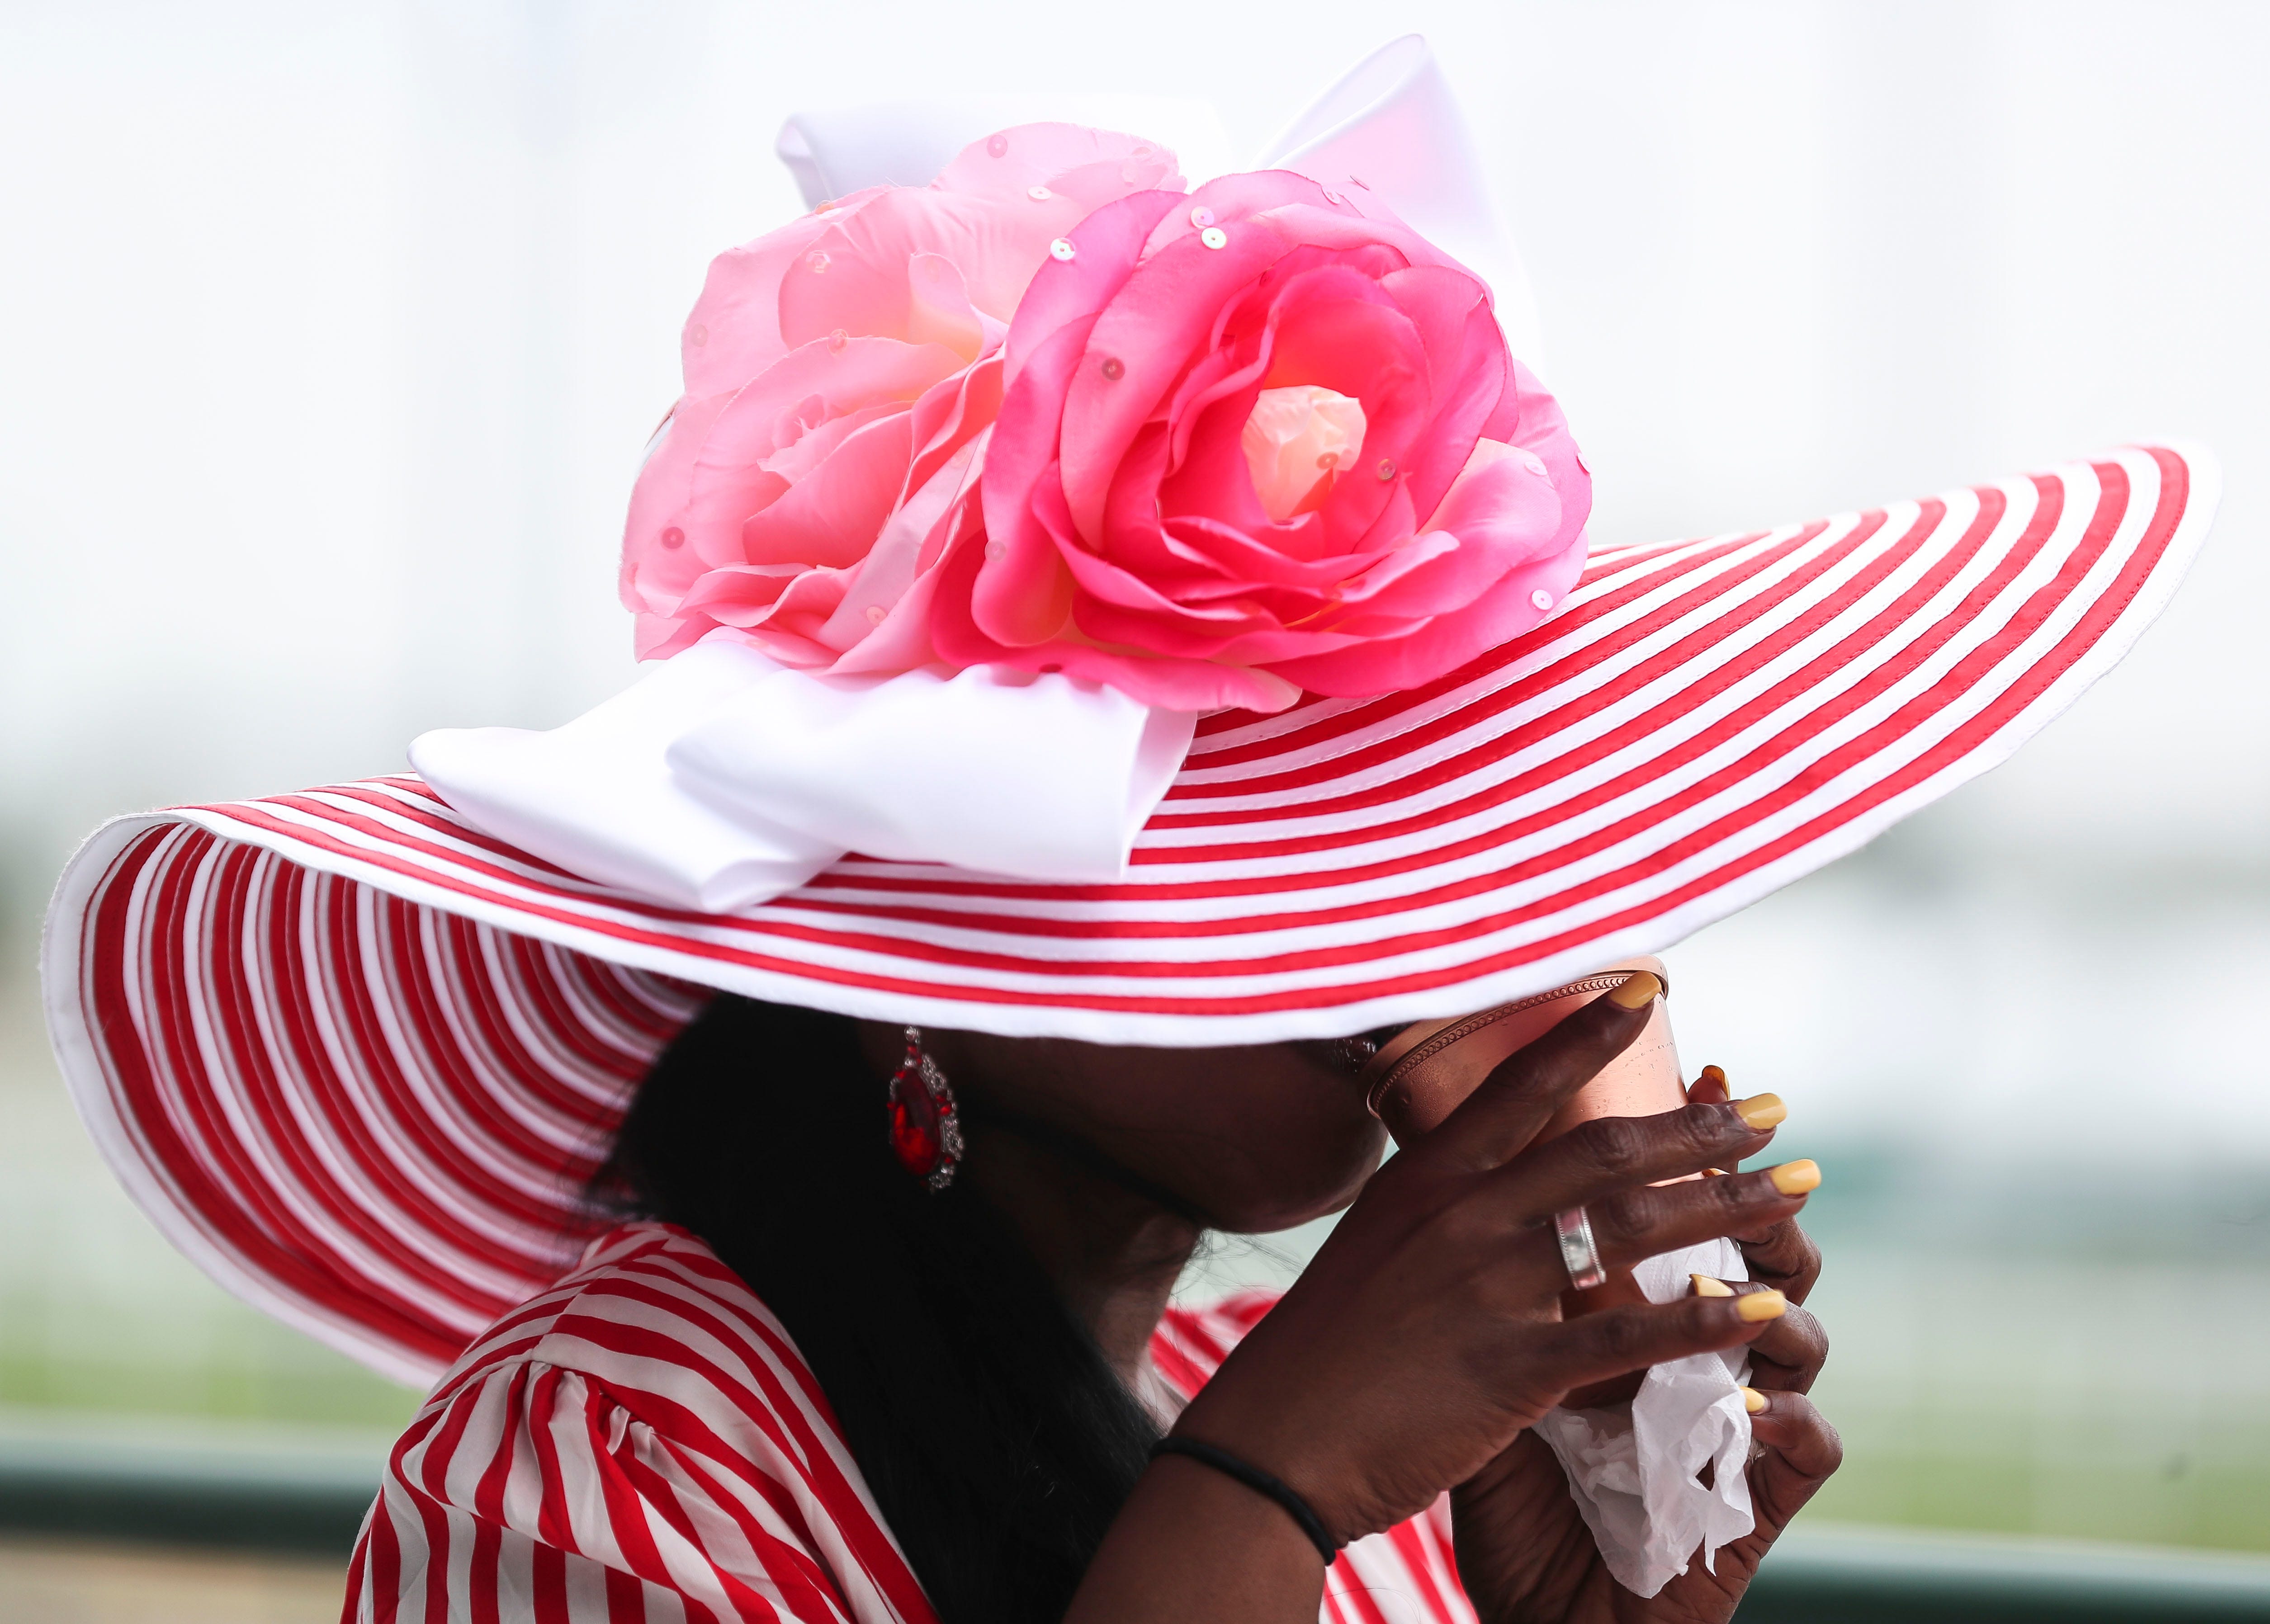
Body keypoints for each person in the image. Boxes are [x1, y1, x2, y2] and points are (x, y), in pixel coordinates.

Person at [40, 37, 2209, 1624]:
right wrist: (1260, 1496)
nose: (1406, 949)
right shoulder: (607, 1472)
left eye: (1429, 853)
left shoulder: (1307, 1434)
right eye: (1262, 861)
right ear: (904, 931)